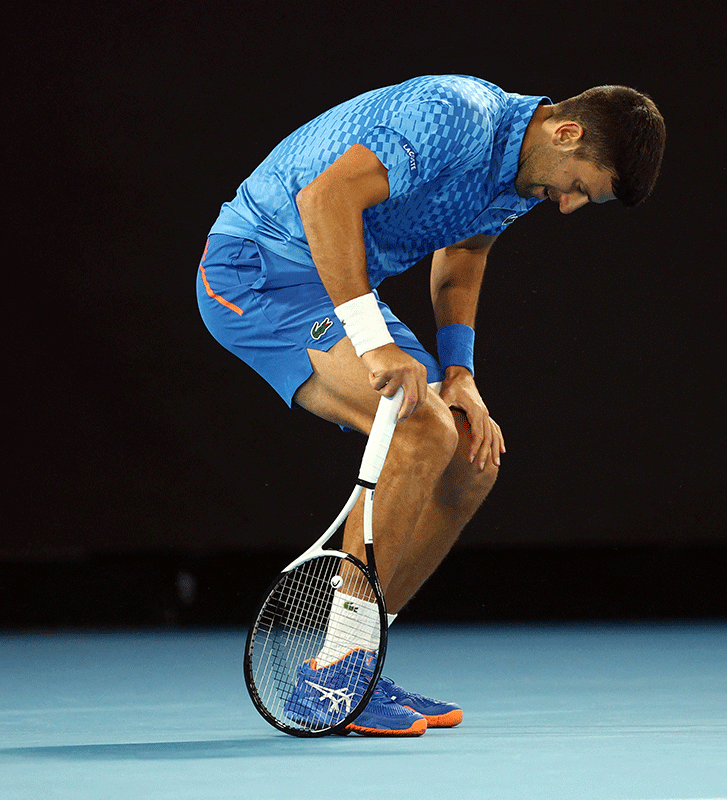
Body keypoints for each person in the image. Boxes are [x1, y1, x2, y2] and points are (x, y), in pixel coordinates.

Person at [197, 74, 666, 736]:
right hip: (258, 271)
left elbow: (464, 254)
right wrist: (372, 342)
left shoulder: (526, 174)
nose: (568, 207)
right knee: (419, 432)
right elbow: (324, 197)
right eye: (581, 187)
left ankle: (360, 656)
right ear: (567, 133)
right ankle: (334, 667)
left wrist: (460, 373)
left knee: (470, 457)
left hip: (332, 282)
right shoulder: (452, 115)